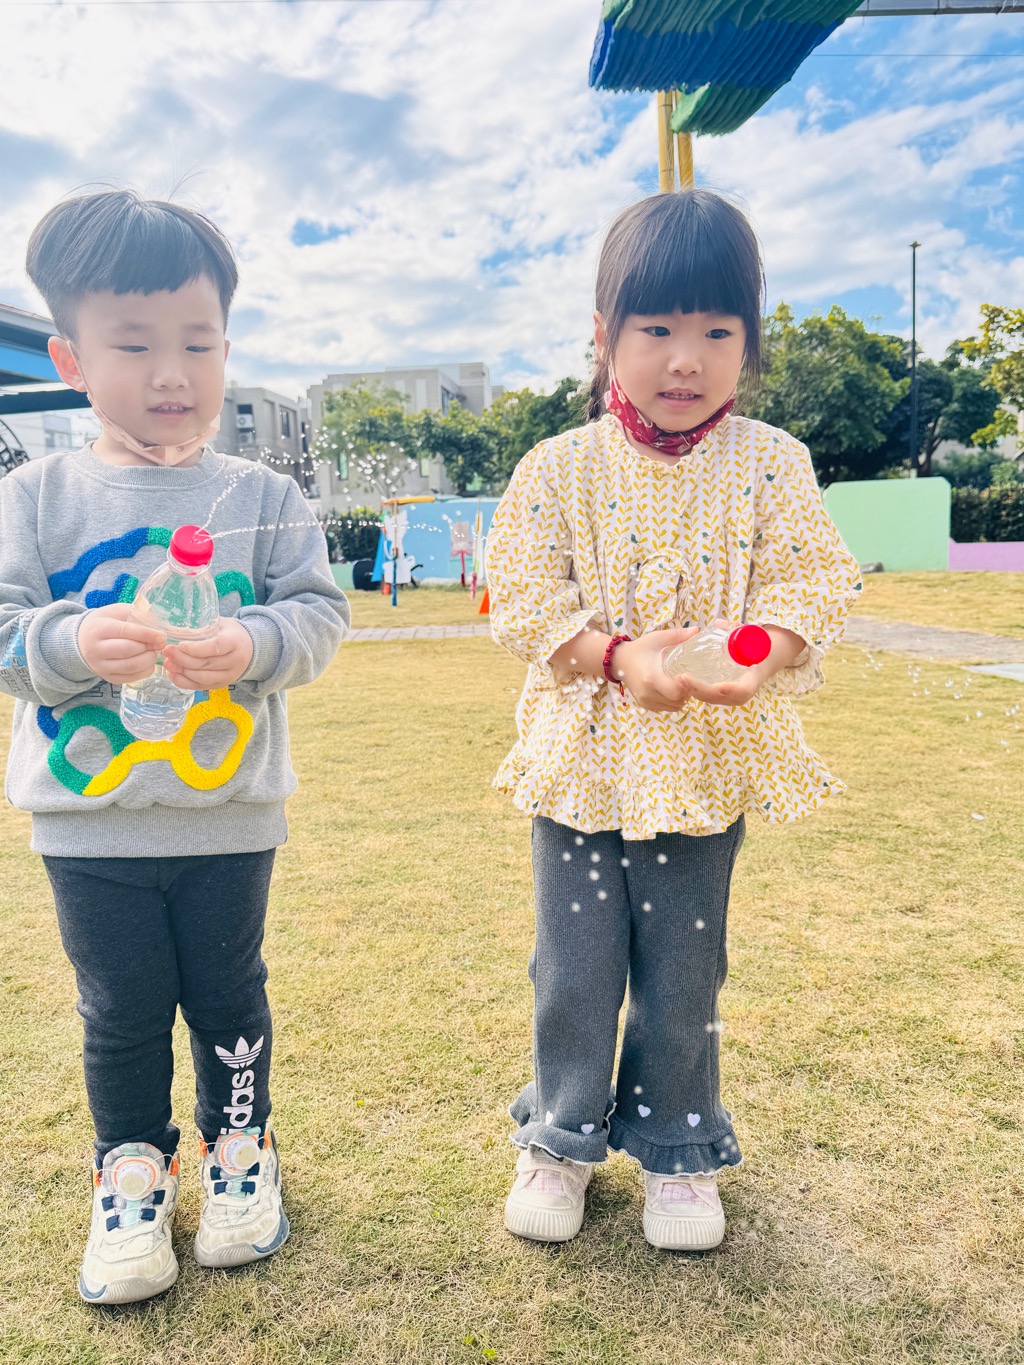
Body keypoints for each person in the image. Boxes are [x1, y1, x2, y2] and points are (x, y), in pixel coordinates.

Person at [485, 190, 861, 1252]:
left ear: (750, 341)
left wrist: (761, 651)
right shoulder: (557, 467)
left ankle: (678, 1147)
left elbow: (814, 579)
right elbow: (523, 598)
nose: (685, 359)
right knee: (574, 966)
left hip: (702, 765)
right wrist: (616, 658)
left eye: (716, 331)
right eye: (655, 328)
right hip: (582, 761)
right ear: (603, 334)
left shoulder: (771, 461)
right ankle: (559, 1137)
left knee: (686, 969)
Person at [0, 189, 349, 1302]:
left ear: (227, 349)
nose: (171, 373)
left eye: (197, 343)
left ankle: (241, 1153)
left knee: (231, 999)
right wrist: (67, 641)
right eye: (134, 344)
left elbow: (319, 615)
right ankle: (131, 1173)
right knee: (120, 1012)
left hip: (228, 813)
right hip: (89, 824)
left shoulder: (264, 494)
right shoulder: (34, 496)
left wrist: (251, 643)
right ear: (70, 356)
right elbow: (6, 633)